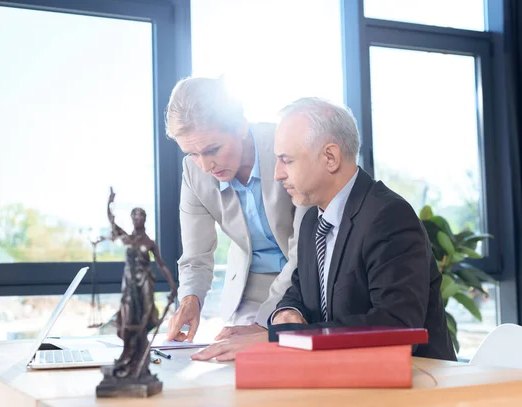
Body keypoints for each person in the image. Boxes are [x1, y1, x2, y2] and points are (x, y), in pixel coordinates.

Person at [193, 97, 456, 361]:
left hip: (414, 386)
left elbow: (396, 328)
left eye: (287, 160)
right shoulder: (311, 221)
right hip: (342, 379)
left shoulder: (388, 217)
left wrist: (279, 338)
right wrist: (286, 313)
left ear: (330, 157)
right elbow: (299, 290)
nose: (277, 174)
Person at [164, 77, 307, 349]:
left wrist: (264, 324)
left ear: (241, 127)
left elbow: (305, 249)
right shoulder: (194, 172)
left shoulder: (285, 146)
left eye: (213, 149)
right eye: (192, 153)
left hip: (307, 281)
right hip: (248, 292)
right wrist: (190, 299)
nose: (206, 165)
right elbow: (196, 255)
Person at [107, 188, 177, 378]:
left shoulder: (149, 242)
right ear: (132, 219)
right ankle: (127, 355)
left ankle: (139, 359)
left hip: (145, 283)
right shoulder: (127, 238)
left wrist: (173, 286)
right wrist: (110, 203)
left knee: (143, 320)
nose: (138, 219)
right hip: (129, 284)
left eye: (141, 216)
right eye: (135, 216)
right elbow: (112, 222)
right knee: (127, 318)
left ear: (145, 219)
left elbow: (161, 265)